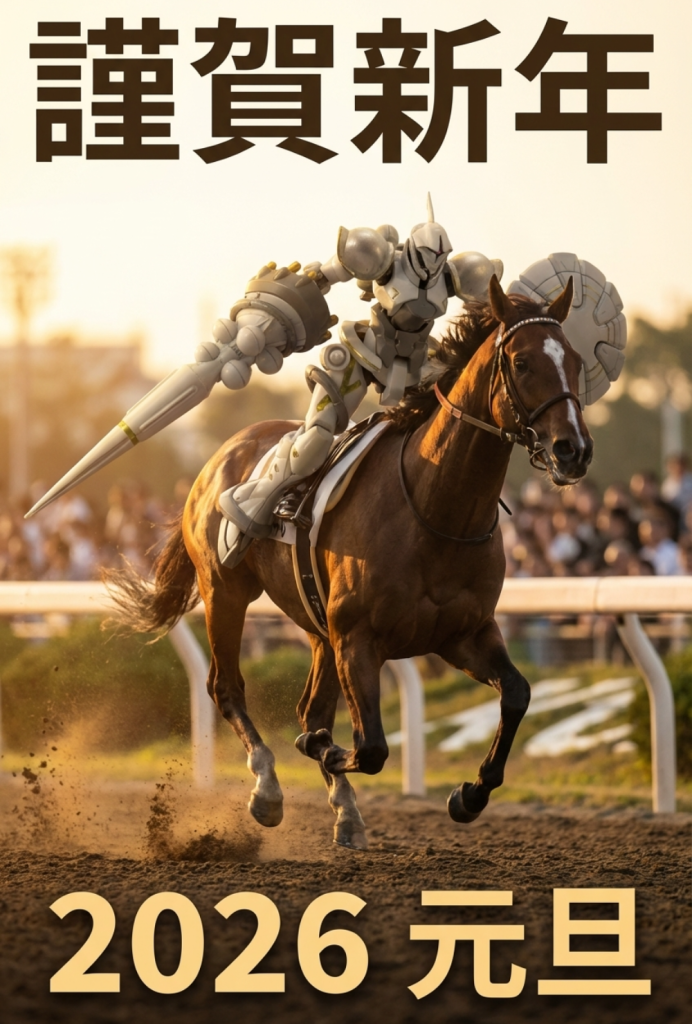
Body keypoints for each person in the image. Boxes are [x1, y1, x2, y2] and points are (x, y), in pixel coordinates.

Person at [216, 197, 503, 567]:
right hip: (362, 354)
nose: (431, 266)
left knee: (452, 435)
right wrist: (292, 297)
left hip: (421, 366)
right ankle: (261, 496)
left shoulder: (460, 273)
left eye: (438, 258)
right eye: (426, 256)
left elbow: (499, 307)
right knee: (316, 439)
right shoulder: (381, 256)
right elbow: (330, 272)